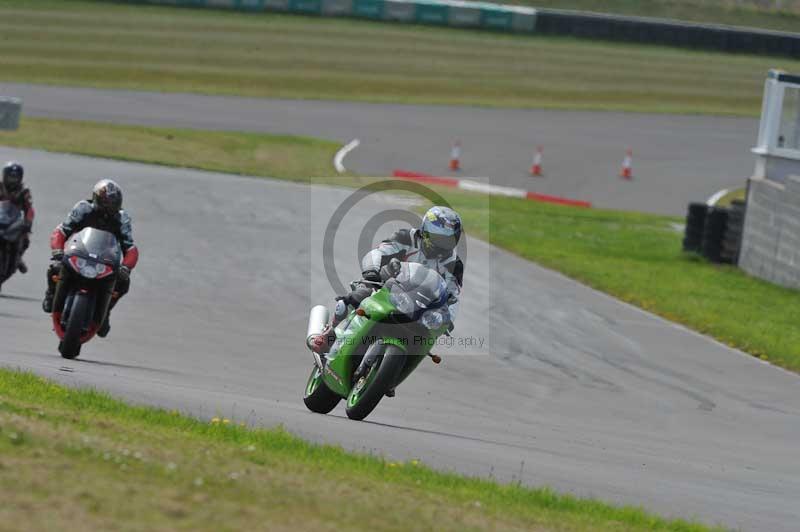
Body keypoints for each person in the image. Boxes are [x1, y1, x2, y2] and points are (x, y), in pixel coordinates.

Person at [311, 206, 464, 357]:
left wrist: (448, 319)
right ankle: (330, 334)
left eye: (448, 240)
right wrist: (371, 271)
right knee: (360, 295)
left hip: (420, 304)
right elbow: (378, 253)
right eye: (439, 239)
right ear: (425, 233)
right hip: (386, 284)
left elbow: (453, 296)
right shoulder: (405, 238)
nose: (443, 244)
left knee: (426, 334)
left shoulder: (454, 264)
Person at [42, 179, 139, 338]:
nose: (110, 207)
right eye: (106, 202)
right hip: (79, 253)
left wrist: (126, 267)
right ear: (97, 198)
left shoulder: (122, 218)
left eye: (114, 203)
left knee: (123, 282)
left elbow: (130, 247)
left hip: (105, 261)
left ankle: (106, 311)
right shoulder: (83, 208)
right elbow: (62, 230)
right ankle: (51, 294)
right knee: (55, 268)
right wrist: (58, 251)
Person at [0, 161, 34, 273]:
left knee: (25, 240)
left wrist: (28, 222)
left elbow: (29, 209)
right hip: (1, 216)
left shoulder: (24, 191)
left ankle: (18, 258)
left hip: (13, 221)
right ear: (5, 176)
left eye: (15, 178)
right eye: (10, 177)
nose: (12, 181)